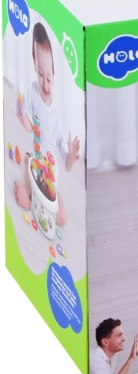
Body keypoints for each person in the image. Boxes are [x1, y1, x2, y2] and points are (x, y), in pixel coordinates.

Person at [14, 22, 80, 226]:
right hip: (35, 164)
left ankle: (41, 202)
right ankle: (29, 196)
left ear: (54, 73)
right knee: (27, 159)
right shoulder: (33, 92)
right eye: (40, 75)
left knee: (63, 218)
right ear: (35, 65)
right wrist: (23, 118)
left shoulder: (57, 119)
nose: (44, 83)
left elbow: (67, 166)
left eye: (48, 78)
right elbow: (30, 128)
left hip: (50, 179)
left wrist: (71, 157)